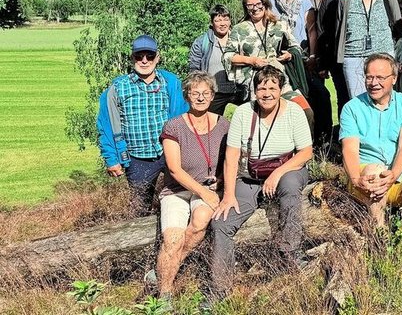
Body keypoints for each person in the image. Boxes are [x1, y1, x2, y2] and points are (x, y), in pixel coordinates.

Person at [210, 68, 313, 298]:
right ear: (254, 91)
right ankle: (220, 288)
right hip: (251, 176)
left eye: (272, 88)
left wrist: (277, 174)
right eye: (261, 88)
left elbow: (306, 152)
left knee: (289, 185)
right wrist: (228, 195)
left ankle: (290, 251)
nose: (267, 93)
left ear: (281, 90)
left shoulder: (294, 111)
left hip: (288, 169)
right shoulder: (243, 113)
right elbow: (231, 156)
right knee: (220, 223)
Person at [340, 53, 402, 233]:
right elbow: (349, 149)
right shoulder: (352, 108)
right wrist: (355, 180)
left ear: (394, 78)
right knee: (375, 172)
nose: (373, 83)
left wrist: (393, 175)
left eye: (380, 77)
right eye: (369, 77)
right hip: (365, 177)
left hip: (398, 175)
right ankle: (379, 233)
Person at [156, 71, 229, 299]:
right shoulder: (174, 126)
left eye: (205, 93)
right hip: (177, 190)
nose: (200, 97)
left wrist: (220, 181)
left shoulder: (224, 125)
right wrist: (203, 193)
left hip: (209, 187)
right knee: (173, 238)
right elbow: (174, 169)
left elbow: (231, 160)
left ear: (212, 96)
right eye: (195, 93)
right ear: (187, 95)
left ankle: (165, 269)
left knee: (200, 221)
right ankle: (165, 294)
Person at [97, 34, 189, 213]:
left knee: (180, 197)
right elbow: (105, 126)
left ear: (157, 57)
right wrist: (112, 159)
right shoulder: (117, 89)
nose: (144, 61)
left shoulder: (170, 83)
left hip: (169, 153)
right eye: (139, 56)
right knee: (140, 207)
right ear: (132, 58)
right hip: (137, 158)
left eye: (150, 56)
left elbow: (183, 117)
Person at [325, 0, 402, 101]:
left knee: (384, 100)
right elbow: (339, 30)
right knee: (358, 102)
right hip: (353, 57)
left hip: (383, 56)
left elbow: (399, 28)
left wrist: (398, 57)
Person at [271, 0, 330, 148]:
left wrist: (312, 56)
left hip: (302, 59)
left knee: (320, 95)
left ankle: (322, 140)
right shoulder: (269, 4)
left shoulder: (304, 3)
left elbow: (311, 31)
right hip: (278, 62)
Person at [223, 0, 300, 95]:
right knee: (264, 103)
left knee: (302, 105)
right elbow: (228, 56)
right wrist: (252, 61)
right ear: (245, 6)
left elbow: (296, 47)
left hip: (280, 79)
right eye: (250, 5)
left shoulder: (280, 25)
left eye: (258, 4)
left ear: (265, 3)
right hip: (253, 84)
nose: (255, 8)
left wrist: (289, 55)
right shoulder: (239, 29)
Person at [188, 5, 245, 114]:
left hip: (239, 90)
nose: (222, 24)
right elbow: (194, 69)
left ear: (230, 21)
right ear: (212, 22)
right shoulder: (202, 42)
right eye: (218, 20)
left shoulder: (240, 40)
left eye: (225, 19)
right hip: (214, 92)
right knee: (212, 122)